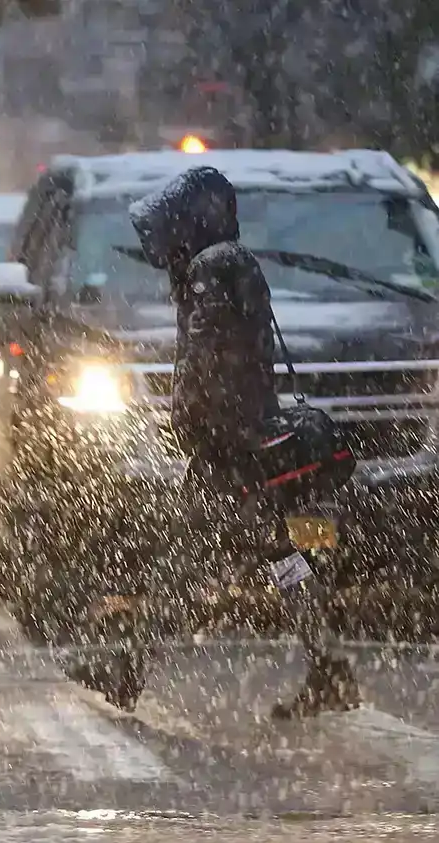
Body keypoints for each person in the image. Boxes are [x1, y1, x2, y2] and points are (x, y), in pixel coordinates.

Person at [64, 166, 359, 720]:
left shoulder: (210, 269)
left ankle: (128, 672)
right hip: (255, 439)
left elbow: (204, 364)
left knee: (179, 561)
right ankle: (329, 668)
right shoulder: (232, 262)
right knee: (285, 556)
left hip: (230, 451)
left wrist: (192, 424)